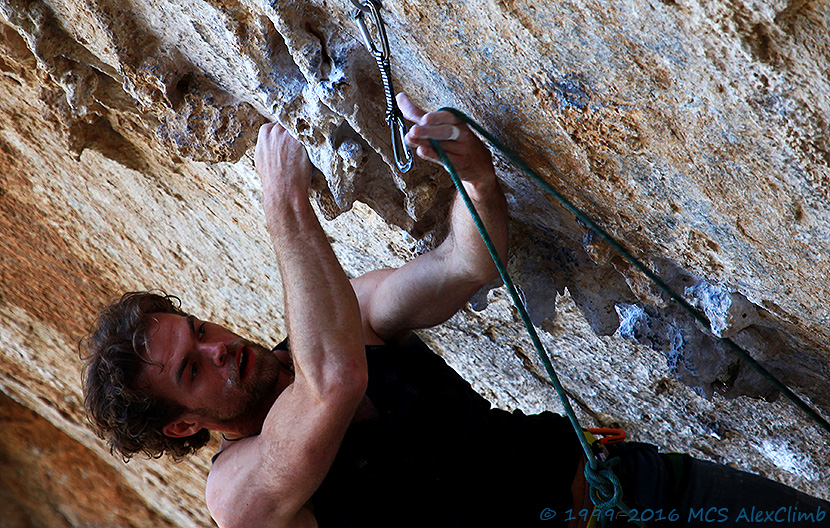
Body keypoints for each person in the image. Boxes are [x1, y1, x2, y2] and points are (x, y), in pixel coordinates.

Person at [82, 93, 830, 528]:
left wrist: (470, 175)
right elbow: (332, 382)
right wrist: (284, 208)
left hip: (633, 492)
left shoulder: (352, 318)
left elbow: (464, 264)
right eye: (191, 368)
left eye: (201, 331)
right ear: (182, 423)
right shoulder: (239, 493)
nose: (218, 349)